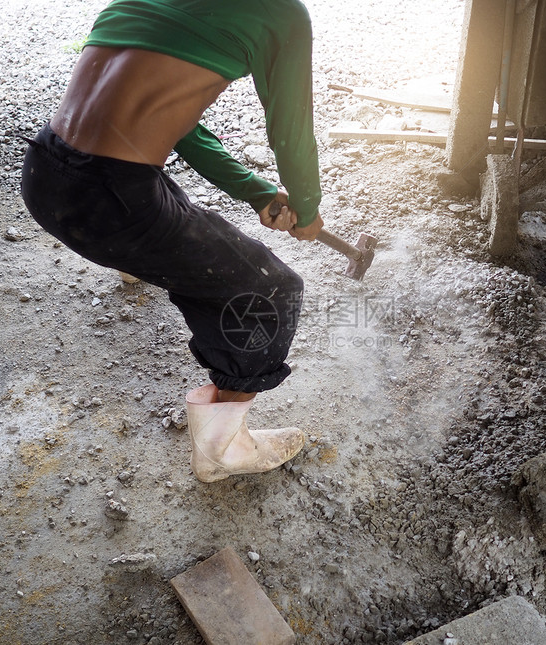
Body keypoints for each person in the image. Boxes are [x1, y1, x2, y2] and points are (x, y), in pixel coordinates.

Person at [20, 0, 323, 483]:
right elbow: (290, 135)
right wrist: (306, 209)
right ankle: (223, 449)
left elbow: (179, 130)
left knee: (161, 199)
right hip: (110, 203)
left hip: (44, 172)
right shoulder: (279, 12)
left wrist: (255, 190)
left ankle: (134, 258)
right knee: (272, 291)